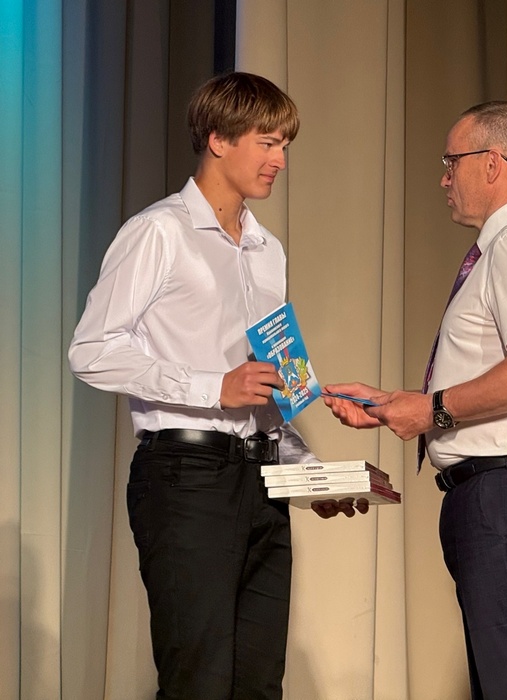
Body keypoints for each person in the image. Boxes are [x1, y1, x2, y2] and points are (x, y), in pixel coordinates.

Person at [69, 71, 362, 700]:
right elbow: (91, 351)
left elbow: (267, 388)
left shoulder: (267, 250)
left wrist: (310, 476)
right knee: (198, 680)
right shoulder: (159, 231)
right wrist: (211, 386)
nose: (280, 160)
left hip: (261, 479)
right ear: (218, 140)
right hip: (185, 475)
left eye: (285, 145)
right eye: (267, 143)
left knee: (259, 682)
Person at [323, 101, 507, 699]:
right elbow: (501, 370)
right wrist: (401, 403)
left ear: (493, 163)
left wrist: (432, 409)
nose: (444, 179)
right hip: (505, 494)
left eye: (451, 162)